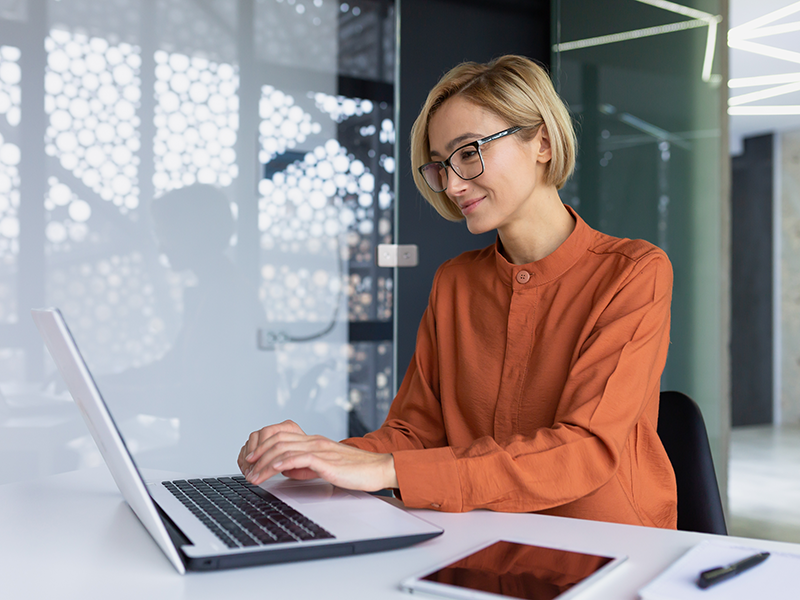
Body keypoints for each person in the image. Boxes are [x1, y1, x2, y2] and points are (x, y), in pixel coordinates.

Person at [238, 55, 677, 529]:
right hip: (475, 534)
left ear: (543, 143)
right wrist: (326, 456)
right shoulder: (455, 282)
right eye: (441, 166)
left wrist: (385, 469)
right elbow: (415, 433)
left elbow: (584, 449)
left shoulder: (634, 274)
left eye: (469, 152)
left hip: (606, 543)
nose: (451, 183)